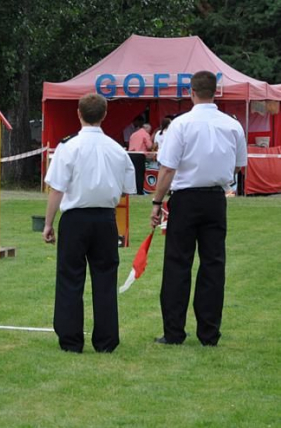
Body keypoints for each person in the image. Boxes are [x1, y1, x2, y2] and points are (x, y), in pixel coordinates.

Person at [151, 71, 247, 347]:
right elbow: (240, 165)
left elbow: (167, 168)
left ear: (191, 92)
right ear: (216, 92)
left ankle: (174, 332)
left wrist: (157, 202)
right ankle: (209, 333)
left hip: (185, 198)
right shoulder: (232, 125)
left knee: (177, 265)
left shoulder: (181, 124)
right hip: (216, 199)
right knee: (213, 265)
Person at [43, 93, 136, 354]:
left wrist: (48, 224)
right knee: (105, 278)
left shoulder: (68, 147)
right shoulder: (117, 149)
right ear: (104, 115)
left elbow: (56, 189)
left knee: (70, 277)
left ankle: (71, 340)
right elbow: (127, 189)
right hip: (106, 218)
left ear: (78, 113)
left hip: (75, 218)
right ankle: (106, 340)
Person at [128, 123, 154, 195]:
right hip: (139, 155)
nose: (149, 132)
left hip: (130, 154)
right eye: (149, 130)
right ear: (147, 129)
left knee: (133, 174)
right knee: (140, 174)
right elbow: (149, 146)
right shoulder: (145, 134)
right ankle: (139, 191)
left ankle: (132, 191)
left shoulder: (133, 134)